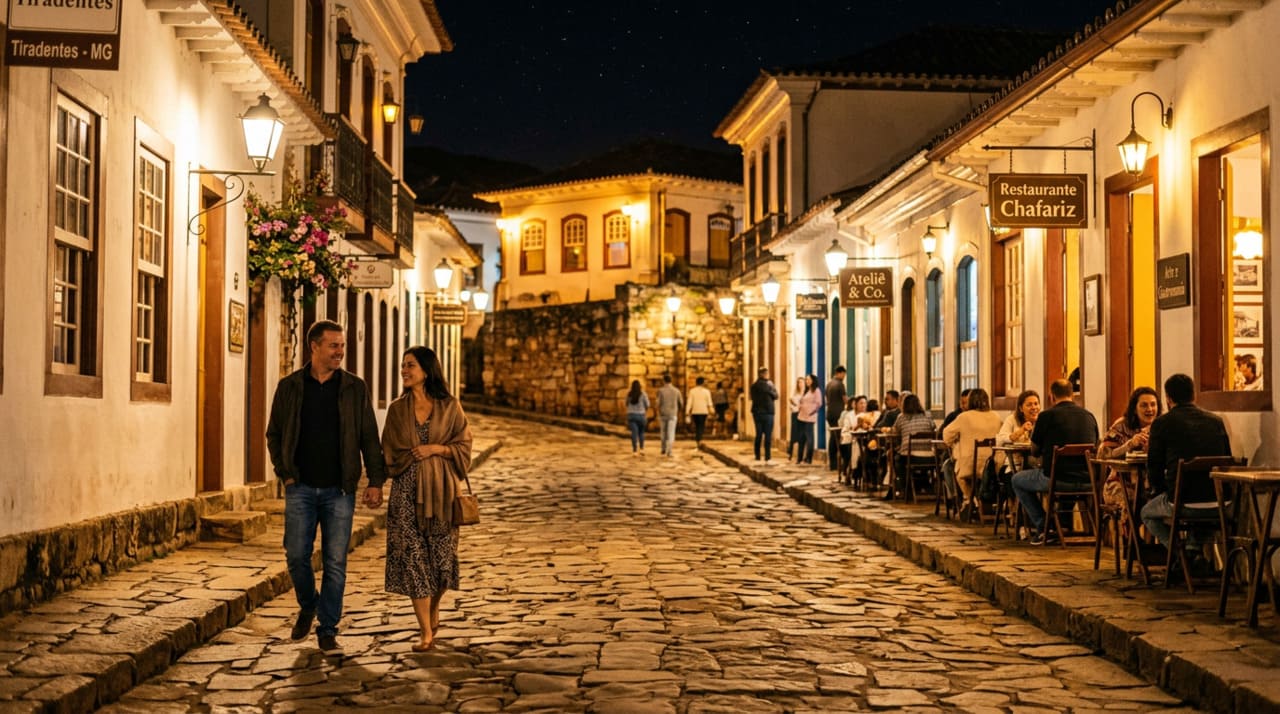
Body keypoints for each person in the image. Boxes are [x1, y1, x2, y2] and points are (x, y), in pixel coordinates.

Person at [266, 320, 386, 657]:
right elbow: (274, 433)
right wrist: (286, 474)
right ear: (314, 347)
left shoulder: (353, 388)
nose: (340, 352)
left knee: (335, 562)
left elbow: (367, 437)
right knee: (296, 555)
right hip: (300, 487)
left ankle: (328, 628)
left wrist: (375, 481)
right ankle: (309, 605)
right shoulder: (290, 387)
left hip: (339, 490)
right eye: (333, 345)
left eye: (342, 345)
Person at [381, 346, 473, 652]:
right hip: (406, 494)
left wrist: (436, 449)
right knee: (413, 559)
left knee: (442, 560)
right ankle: (425, 630)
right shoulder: (397, 409)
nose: (405, 371)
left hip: (442, 493)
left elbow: (463, 446)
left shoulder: (450, 407)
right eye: (403, 366)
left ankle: (434, 609)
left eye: (410, 365)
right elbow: (389, 450)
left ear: (427, 369)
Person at [1140, 374, 1232, 565]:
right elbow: (1227, 458)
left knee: (1146, 512)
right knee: (1202, 501)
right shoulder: (1216, 421)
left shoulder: (1162, 423)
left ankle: (1181, 556)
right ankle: (1192, 549)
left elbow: (1154, 467)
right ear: (1193, 395)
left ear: (1168, 398)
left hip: (1182, 502)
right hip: (1221, 502)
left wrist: (1157, 490)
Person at [1011, 379, 1098, 544]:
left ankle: (1044, 526)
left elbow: (1034, 451)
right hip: (1088, 480)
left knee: (1017, 480)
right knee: (1067, 474)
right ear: (1073, 394)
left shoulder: (1046, 416)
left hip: (1057, 480)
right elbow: (1096, 446)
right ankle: (1063, 525)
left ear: (1051, 397)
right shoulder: (1089, 416)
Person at [1097, 387, 1160, 514]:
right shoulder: (1121, 425)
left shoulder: (1160, 426)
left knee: (1162, 499)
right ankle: (1131, 534)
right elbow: (1103, 455)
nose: (1150, 409)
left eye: (1153, 405)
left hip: (1151, 484)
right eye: (1144, 405)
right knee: (1132, 502)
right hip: (1121, 483)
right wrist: (1129, 445)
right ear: (1135, 409)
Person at [942, 387, 1002, 516]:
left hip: (970, 465)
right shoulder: (996, 416)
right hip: (992, 464)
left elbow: (946, 436)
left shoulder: (964, 417)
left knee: (956, 471)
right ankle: (976, 501)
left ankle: (969, 499)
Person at [891, 393, 936, 496]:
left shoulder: (901, 417)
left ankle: (906, 488)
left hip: (910, 457)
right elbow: (934, 429)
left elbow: (895, 433)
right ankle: (924, 483)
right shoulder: (928, 415)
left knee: (898, 460)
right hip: (930, 456)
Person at [749, 367, 779, 463]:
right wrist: (772, 387)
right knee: (768, 435)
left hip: (757, 413)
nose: (768, 375)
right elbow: (776, 396)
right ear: (763, 374)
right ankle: (767, 456)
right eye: (767, 374)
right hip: (768, 413)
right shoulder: (768, 385)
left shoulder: (753, 386)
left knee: (758, 434)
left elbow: (752, 398)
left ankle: (757, 455)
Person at [794, 374, 823, 464]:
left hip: (809, 418)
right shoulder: (807, 391)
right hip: (801, 417)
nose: (807, 381)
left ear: (813, 380)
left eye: (809, 380)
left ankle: (808, 458)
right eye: (806, 380)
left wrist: (812, 412)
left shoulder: (816, 391)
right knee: (801, 438)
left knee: (809, 438)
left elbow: (819, 403)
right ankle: (799, 458)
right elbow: (802, 401)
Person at [825, 366, 848, 471]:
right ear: (840, 373)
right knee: (838, 438)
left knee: (833, 437)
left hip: (829, 413)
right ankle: (842, 462)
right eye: (844, 374)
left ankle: (833, 463)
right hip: (838, 414)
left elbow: (827, 398)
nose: (844, 377)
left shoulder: (829, 384)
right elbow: (844, 399)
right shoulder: (840, 384)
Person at [656, 374, 683, 456]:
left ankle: (663, 448)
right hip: (673, 414)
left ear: (664, 381)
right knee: (671, 433)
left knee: (663, 432)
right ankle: (669, 450)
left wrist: (658, 410)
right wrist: (678, 409)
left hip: (663, 414)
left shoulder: (661, 390)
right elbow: (681, 403)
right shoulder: (677, 391)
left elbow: (658, 403)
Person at [837, 397, 860, 482]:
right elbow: (844, 427)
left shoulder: (867, 415)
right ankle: (849, 470)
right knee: (850, 448)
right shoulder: (848, 415)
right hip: (848, 438)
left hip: (860, 439)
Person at [686, 376, 714, 446]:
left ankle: (698, 439)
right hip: (703, 411)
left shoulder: (692, 391)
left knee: (697, 425)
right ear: (703, 383)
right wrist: (711, 410)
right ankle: (699, 439)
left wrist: (687, 412)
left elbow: (689, 402)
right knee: (701, 425)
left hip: (695, 411)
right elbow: (709, 402)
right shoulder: (707, 391)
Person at [624, 380, 650, 455]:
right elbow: (648, 404)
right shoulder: (643, 394)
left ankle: (634, 450)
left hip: (631, 416)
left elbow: (626, 404)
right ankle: (641, 449)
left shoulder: (629, 394)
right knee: (641, 433)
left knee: (634, 433)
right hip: (641, 415)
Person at [786, 377, 806, 460]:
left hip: (804, 416)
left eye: (802, 382)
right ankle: (790, 453)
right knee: (794, 434)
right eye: (799, 383)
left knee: (803, 435)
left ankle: (801, 455)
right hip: (795, 415)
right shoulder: (795, 394)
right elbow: (792, 406)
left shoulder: (806, 394)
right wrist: (796, 406)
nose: (800, 384)